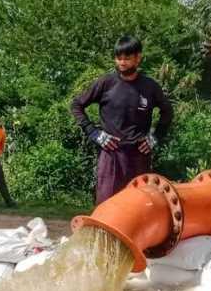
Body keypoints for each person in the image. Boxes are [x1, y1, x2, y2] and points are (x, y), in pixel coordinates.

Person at [71, 35, 174, 204]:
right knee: (107, 207)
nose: (122, 63)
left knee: (139, 206)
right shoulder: (106, 83)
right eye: (118, 58)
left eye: (127, 58)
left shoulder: (150, 87)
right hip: (111, 155)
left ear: (138, 58)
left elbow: (168, 113)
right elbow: (76, 105)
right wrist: (93, 132)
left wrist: (156, 136)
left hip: (140, 157)